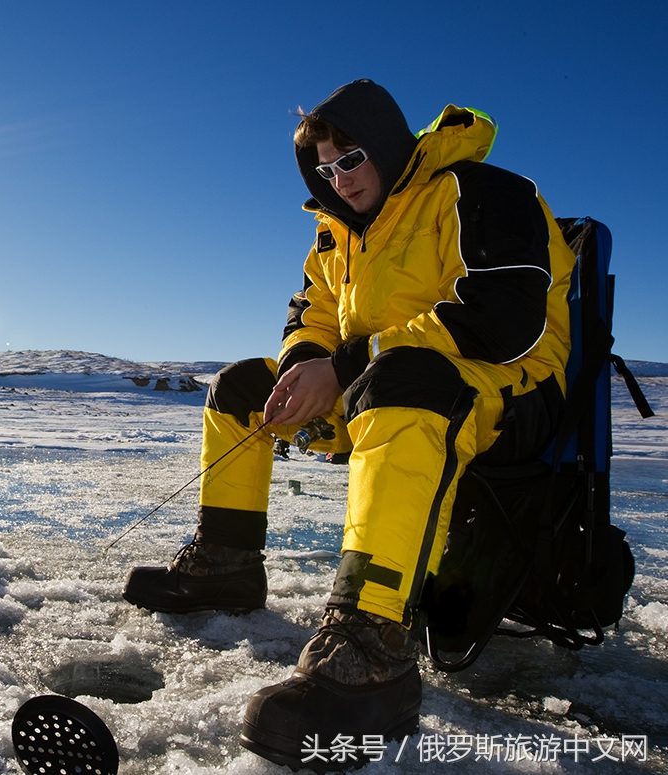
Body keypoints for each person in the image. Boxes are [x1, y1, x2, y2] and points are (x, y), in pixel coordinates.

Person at [122, 79, 575, 769]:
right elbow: (310, 317)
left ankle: (372, 649)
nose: (340, 178)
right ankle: (226, 565)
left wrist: (347, 364)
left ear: (389, 144)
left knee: (402, 378)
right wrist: (306, 367)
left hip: (506, 389)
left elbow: (503, 318)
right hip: (378, 381)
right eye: (325, 168)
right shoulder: (336, 233)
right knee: (244, 385)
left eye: (352, 157)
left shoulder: (480, 190)